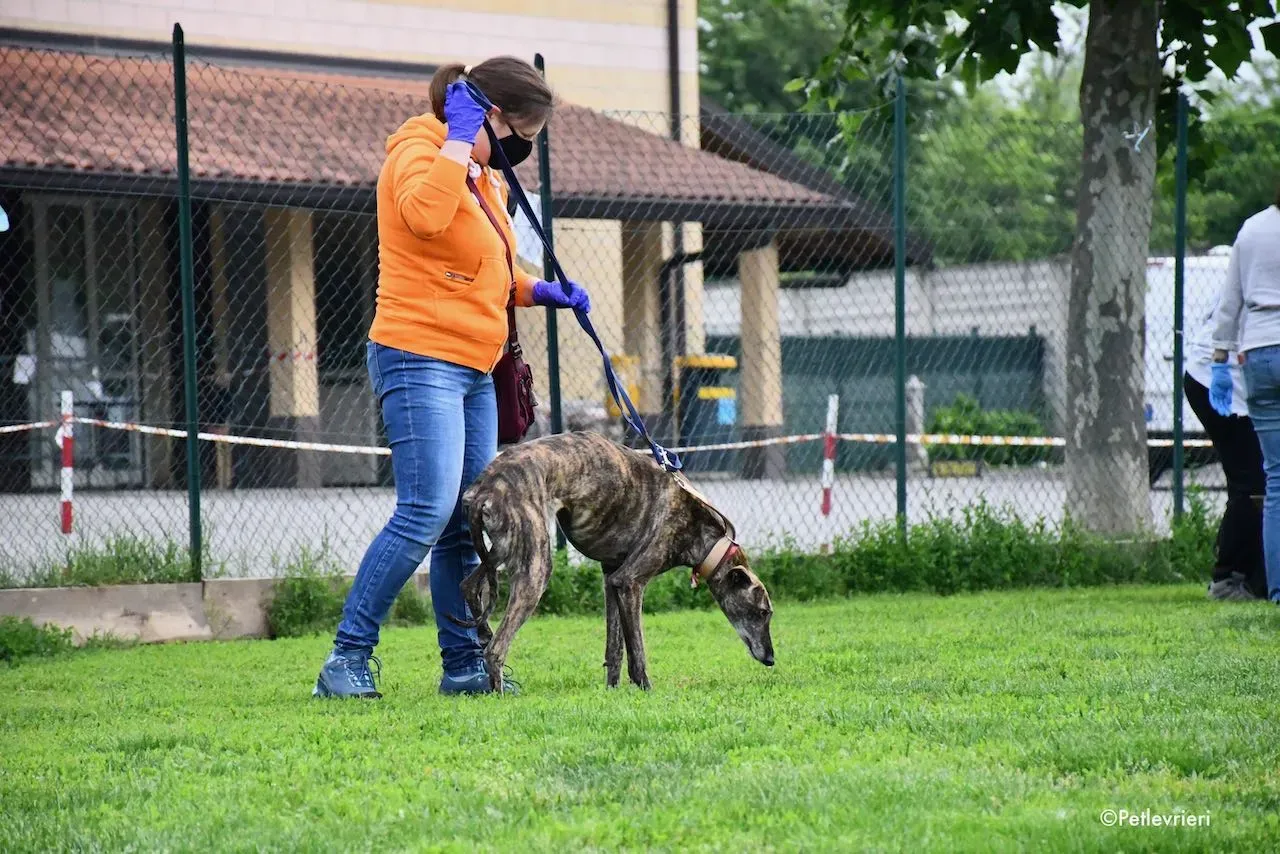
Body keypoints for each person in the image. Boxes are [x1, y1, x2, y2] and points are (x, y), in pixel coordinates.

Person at [313, 57, 591, 699]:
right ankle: (346, 660)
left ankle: (465, 665)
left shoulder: (481, 173)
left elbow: (487, 271)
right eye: (520, 132)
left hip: (475, 364)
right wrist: (459, 140)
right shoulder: (421, 152)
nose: (522, 149)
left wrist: (543, 290)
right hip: (417, 355)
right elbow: (424, 219)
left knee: (468, 518)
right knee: (425, 510)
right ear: (487, 114)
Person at [1208, 182, 1280, 605]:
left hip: (1257, 355)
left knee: (1276, 480)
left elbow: (1229, 301)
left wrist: (1220, 360)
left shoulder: (1252, 229)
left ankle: (1275, 591)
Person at [1183, 295, 1266, 600]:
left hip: (1232, 375)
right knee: (1254, 481)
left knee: (1259, 480)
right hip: (1218, 379)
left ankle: (1256, 578)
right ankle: (1228, 579)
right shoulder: (1258, 252)